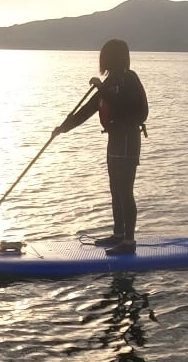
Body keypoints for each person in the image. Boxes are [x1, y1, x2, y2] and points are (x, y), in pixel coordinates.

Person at [52, 38, 149, 255]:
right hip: (115, 139)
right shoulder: (111, 81)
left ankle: (129, 242)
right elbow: (88, 110)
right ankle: (118, 234)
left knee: (125, 190)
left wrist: (101, 89)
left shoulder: (128, 79)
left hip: (127, 139)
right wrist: (63, 128)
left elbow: (128, 104)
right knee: (115, 189)